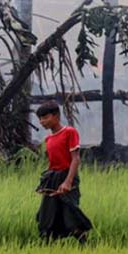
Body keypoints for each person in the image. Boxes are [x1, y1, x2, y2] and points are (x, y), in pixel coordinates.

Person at [35, 101, 92, 243]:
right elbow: (52, 163)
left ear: (56, 116)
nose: (42, 122)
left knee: (70, 217)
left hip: (67, 176)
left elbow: (75, 159)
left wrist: (68, 181)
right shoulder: (48, 139)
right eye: (40, 119)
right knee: (48, 218)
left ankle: (87, 247)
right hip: (53, 177)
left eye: (45, 117)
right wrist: (45, 183)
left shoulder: (69, 133)